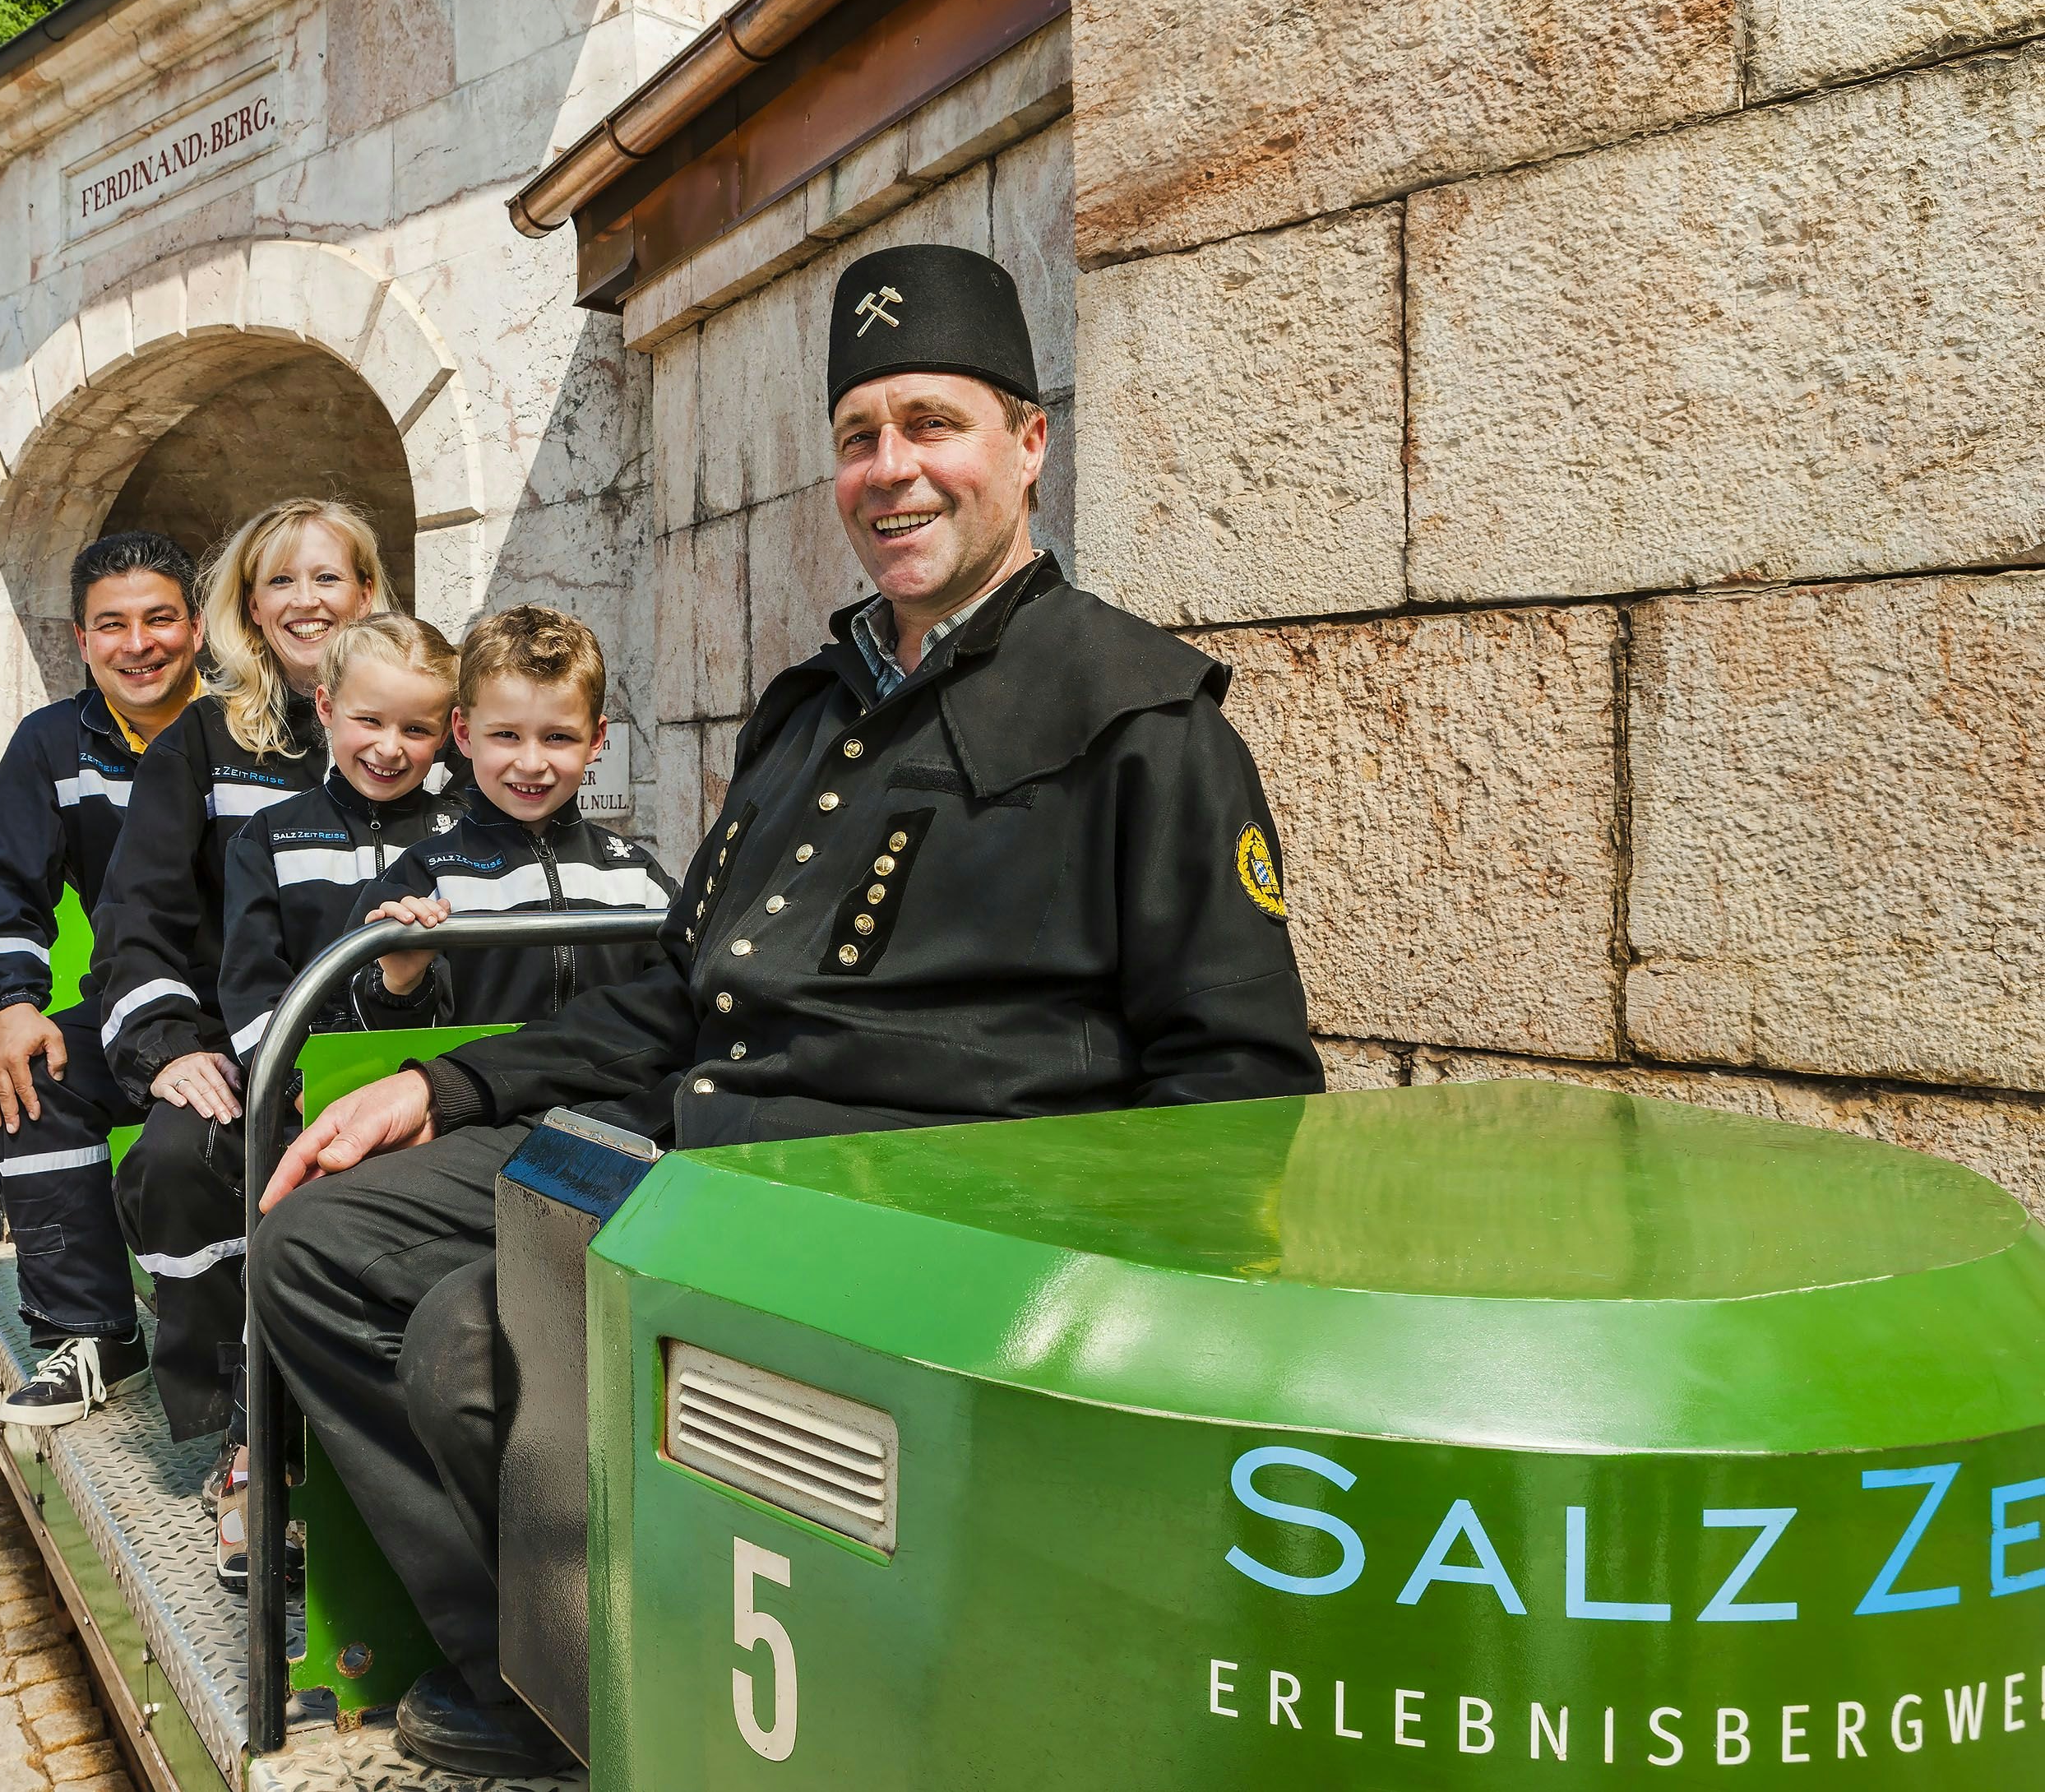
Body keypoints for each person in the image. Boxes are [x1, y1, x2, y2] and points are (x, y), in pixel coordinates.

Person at [249, 243, 1325, 1777]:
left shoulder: (1143, 721)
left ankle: (648, 1677)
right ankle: (551, 1657)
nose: (891, 469)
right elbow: (680, 999)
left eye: (932, 424)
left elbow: (1239, 1095)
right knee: (318, 1245)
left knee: (464, 1343)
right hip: (695, 1157)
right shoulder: (806, 710)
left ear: (1028, 443)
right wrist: (446, 1083)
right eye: (858, 434)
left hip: (907, 1232)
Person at [96, 497, 395, 1466]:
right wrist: (170, 1049)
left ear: (365, 592)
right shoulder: (201, 742)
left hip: (387, 1038)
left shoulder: (417, 729)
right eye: (281, 582)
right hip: (237, 1036)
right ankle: (243, 1425)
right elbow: (136, 912)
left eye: (327, 577)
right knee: (181, 1159)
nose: (306, 600)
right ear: (251, 608)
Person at [199, 612, 462, 1587]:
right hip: (309, 1097)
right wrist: (299, 1080)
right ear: (326, 708)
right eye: (369, 722)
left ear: (450, 732)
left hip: (430, 1099)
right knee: (285, 1238)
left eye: (418, 729)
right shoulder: (271, 835)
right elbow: (249, 981)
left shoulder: (464, 836)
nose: (391, 748)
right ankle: (251, 1455)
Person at [0, 530, 203, 1424]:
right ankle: (94, 1331)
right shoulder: (52, 745)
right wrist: (9, 1005)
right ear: (81, 639)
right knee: (36, 1074)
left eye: (160, 619)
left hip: (255, 1002)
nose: (139, 644)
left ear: (199, 626)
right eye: (114, 625)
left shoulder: (257, 729)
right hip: (133, 1008)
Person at [353, 604, 674, 1029]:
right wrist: (398, 982)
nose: (531, 762)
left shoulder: (639, 876)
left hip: (614, 1093)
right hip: (471, 1094)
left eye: (557, 737)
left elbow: (679, 1003)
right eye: (507, 735)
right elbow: (358, 1028)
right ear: (464, 734)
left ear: (596, 739)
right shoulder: (421, 878)